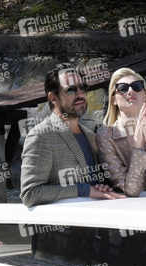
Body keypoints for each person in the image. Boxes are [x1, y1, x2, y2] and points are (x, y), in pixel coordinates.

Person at [20, 63, 124, 207]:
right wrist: (83, 190)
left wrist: (102, 187)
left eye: (83, 88)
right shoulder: (41, 136)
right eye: (71, 90)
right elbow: (30, 194)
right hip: (67, 226)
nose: (80, 94)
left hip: (97, 222)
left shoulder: (90, 135)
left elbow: (94, 185)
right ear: (53, 97)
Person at [96, 68, 146, 196]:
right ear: (114, 99)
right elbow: (131, 191)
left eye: (137, 86)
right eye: (123, 88)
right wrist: (138, 150)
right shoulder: (105, 137)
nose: (130, 91)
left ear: (145, 96)